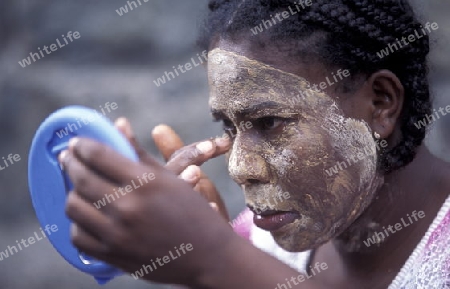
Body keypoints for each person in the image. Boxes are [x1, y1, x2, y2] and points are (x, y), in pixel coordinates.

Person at [58, 0, 450, 288]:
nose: (239, 168)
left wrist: (215, 259)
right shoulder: (257, 240)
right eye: (230, 127)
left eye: (270, 122)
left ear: (380, 103)